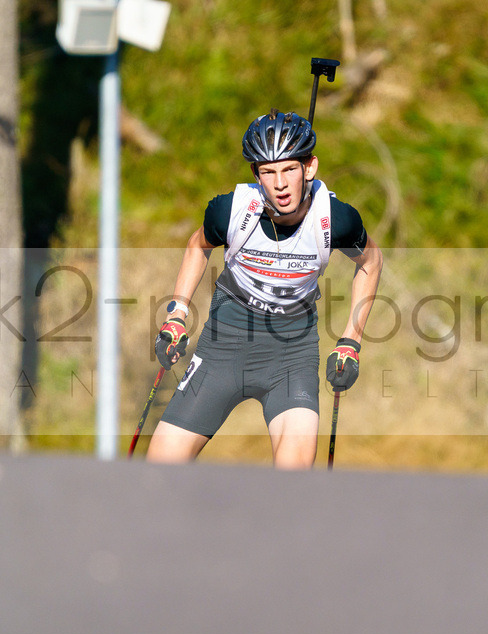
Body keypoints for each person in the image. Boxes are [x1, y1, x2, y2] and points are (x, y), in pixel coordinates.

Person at [146, 108, 383, 469]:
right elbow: (198, 247)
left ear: (310, 167)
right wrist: (177, 314)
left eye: (289, 169)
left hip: (291, 356)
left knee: (292, 481)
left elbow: (371, 262)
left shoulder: (337, 220)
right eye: (269, 172)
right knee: (157, 473)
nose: (281, 184)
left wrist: (351, 338)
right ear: (256, 174)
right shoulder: (229, 211)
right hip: (223, 348)